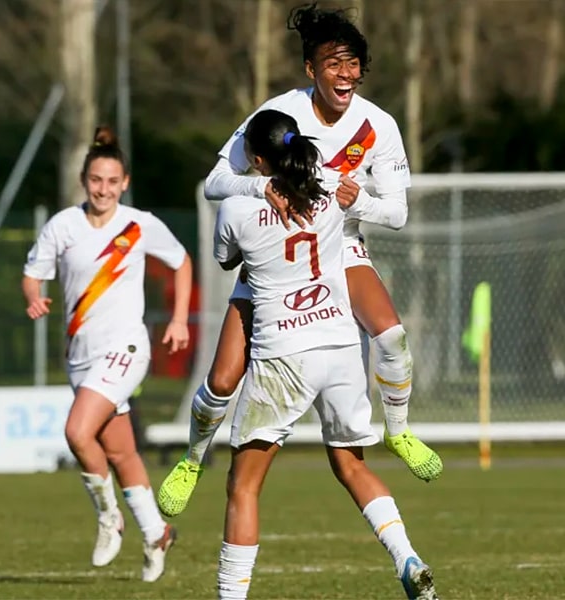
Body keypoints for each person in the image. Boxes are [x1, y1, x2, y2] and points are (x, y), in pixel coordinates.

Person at [158, 1, 442, 519]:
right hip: (274, 254)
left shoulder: (378, 124)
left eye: (354, 63)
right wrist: (263, 184)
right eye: (334, 63)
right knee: (222, 380)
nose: (347, 74)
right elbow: (215, 182)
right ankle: (192, 458)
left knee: (392, 335)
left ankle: (399, 433)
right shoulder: (279, 114)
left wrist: (361, 203)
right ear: (311, 69)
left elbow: (398, 213)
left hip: (342, 246)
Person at [213, 108, 439, 600]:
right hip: (339, 347)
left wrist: (253, 195)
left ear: (254, 159)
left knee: (243, 485)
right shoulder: (333, 188)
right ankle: (408, 557)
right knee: (351, 465)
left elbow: (227, 257)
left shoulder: (234, 208)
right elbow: (379, 211)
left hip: (284, 354)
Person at [22, 125, 188, 583]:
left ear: (125, 183)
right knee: (121, 451)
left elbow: (181, 261)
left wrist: (176, 319)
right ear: (84, 179)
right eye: (97, 180)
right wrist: (33, 296)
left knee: (78, 431)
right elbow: (33, 273)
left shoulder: (139, 224)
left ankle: (108, 516)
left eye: (113, 182)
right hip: (80, 354)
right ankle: (156, 532)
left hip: (126, 347)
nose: (104, 189)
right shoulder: (63, 226)